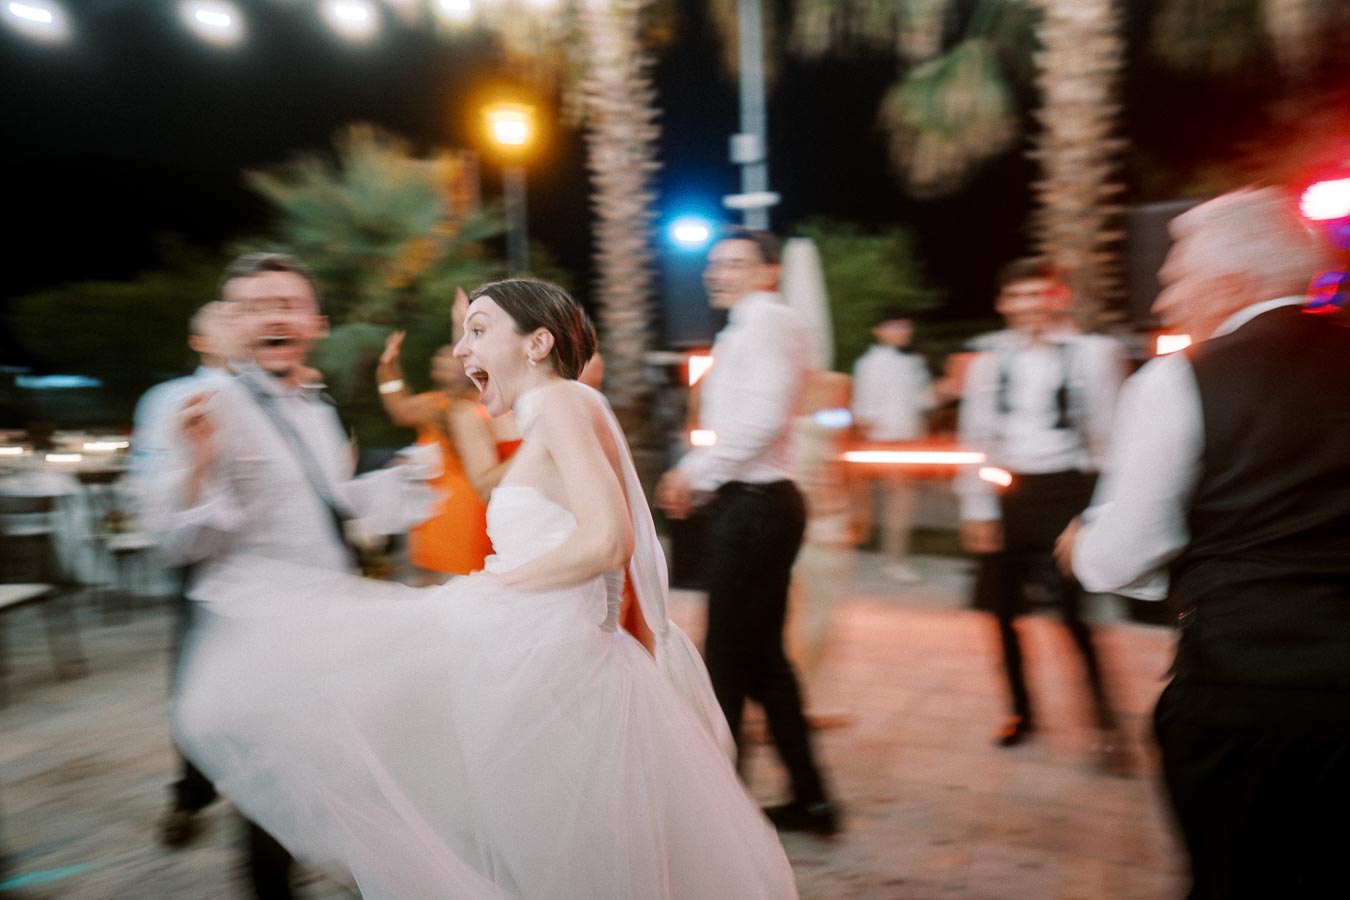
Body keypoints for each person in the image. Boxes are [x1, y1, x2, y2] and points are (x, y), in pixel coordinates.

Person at [170, 278, 797, 898]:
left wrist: (498, 587)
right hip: (548, 655)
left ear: (537, 343)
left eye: (478, 331)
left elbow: (609, 541)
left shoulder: (559, 404)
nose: (463, 351)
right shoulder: (552, 411)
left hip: (554, 667)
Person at [1056, 187, 1349, 897]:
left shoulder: (1177, 380)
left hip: (1242, 697)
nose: (1163, 303)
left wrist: (1078, 546)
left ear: (1231, 283)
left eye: (1174, 279)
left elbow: (1120, 557)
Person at [152, 252, 439, 899]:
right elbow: (177, 540)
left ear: (315, 322)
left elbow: (329, 507)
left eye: (285, 303)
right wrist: (200, 464)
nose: (271, 316)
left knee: (329, 787)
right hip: (258, 639)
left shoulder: (313, 406)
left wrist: (394, 484)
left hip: (327, 630)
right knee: (274, 804)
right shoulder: (208, 405)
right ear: (233, 324)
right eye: (253, 306)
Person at [656, 227, 839, 836]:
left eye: (734, 263)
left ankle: (720, 812)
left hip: (757, 505)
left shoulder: (762, 323)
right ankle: (812, 801)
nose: (717, 272)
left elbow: (760, 420)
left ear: (768, 271)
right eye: (713, 263)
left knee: (728, 660)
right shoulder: (752, 326)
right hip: (759, 502)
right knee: (762, 661)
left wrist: (693, 472)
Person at [956, 258, 1125, 751]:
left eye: (1040, 294)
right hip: (1009, 492)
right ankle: (1019, 713)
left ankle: (1105, 724)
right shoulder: (989, 363)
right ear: (1002, 304)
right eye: (1019, 296)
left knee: (1075, 615)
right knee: (1003, 615)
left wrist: (1096, 515)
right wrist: (979, 510)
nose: (1030, 306)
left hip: (1066, 490)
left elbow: (1110, 438)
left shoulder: (1093, 355)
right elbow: (977, 438)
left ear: (1059, 297)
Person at [129, 300, 238, 848]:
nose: (241, 321)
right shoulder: (169, 399)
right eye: (226, 317)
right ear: (200, 341)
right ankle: (190, 794)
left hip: (274, 566)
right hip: (205, 562)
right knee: (195, 685)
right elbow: (153, 493)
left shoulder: (285, 398)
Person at [375, 327, 508, 580]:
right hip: (445, 523)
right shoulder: (444, 403)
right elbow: (400, 410)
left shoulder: (472, 406)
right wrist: (387, 373)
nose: (440, 364)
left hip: (470, 526)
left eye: (450, 360)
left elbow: (399, 410)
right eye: (440, 360)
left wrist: (387, 372)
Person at [851, 308, 935, 582]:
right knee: (896, 502)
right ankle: (893, 560)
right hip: (885, 441)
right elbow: (865, 408)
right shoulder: (870, 363)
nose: (902, 331)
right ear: (880, 330)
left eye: (904, 325)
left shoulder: (913, 364)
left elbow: (922, 402)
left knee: (902, 503)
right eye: (894, 326)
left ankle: (895, 558)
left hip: (908, 440)